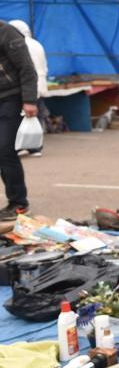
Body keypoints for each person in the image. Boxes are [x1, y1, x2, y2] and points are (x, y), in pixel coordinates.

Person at [0, 20, 37, 219]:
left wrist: (30, 100)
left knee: (5, 150)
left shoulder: (7, 32)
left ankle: (19, 203)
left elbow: (27, 68)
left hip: (10, 98)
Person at [8, 20, 47, 155]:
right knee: (37, 116)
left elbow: (24, 68)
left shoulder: (15, 43)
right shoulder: (38, 44)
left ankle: (22, 145)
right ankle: (36, 147)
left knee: (20, 118)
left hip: (26, 86)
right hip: (39, 85)